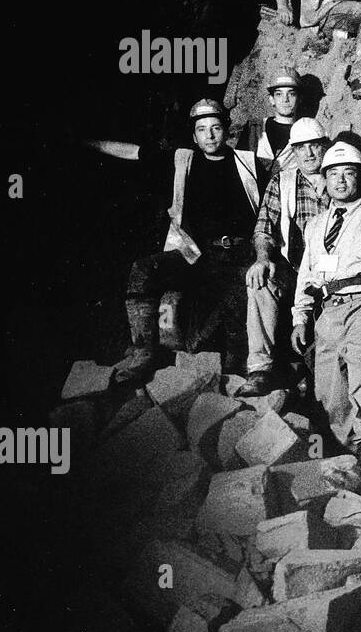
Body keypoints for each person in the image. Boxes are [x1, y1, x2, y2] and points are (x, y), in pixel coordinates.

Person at [87, 98, 260, 382]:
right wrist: (88, 144)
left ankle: (237, 370)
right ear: (194, 135)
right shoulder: (183, 159)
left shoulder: (247, 163)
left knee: (234, 321)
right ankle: (145, 353)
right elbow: (133, 152)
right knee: (144, 270)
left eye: (216, 127)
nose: (210, 135)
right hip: (197, 254)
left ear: (226, 130)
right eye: (202, 129)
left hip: (240, 255)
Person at [291, 141, 361, 500]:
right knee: (329, 388)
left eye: (349, 173)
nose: (340, 180)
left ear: (360, 177)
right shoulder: (317, 224)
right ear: (324, 179)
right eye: (333, 174)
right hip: (330, 307)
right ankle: (355, 452)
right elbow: (307, 273)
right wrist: (300, 315)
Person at [237, 117, 331, 398]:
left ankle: (310, 378)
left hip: (332, 269)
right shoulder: (284, 181)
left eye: (314, 146)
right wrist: (263, 258)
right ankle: (260, 369)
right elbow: (264, 227)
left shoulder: (339, 177)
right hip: (295, 266)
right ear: (294, 151)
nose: (309, 154)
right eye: (301, 148)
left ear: (325, 146)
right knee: (260, 280)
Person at [246, 67, 303, 182]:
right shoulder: (255, 128)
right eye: (279, 94)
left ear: (300, 98)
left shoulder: (306, 132)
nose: (285, 100)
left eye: (291, 94)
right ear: (271, 99)